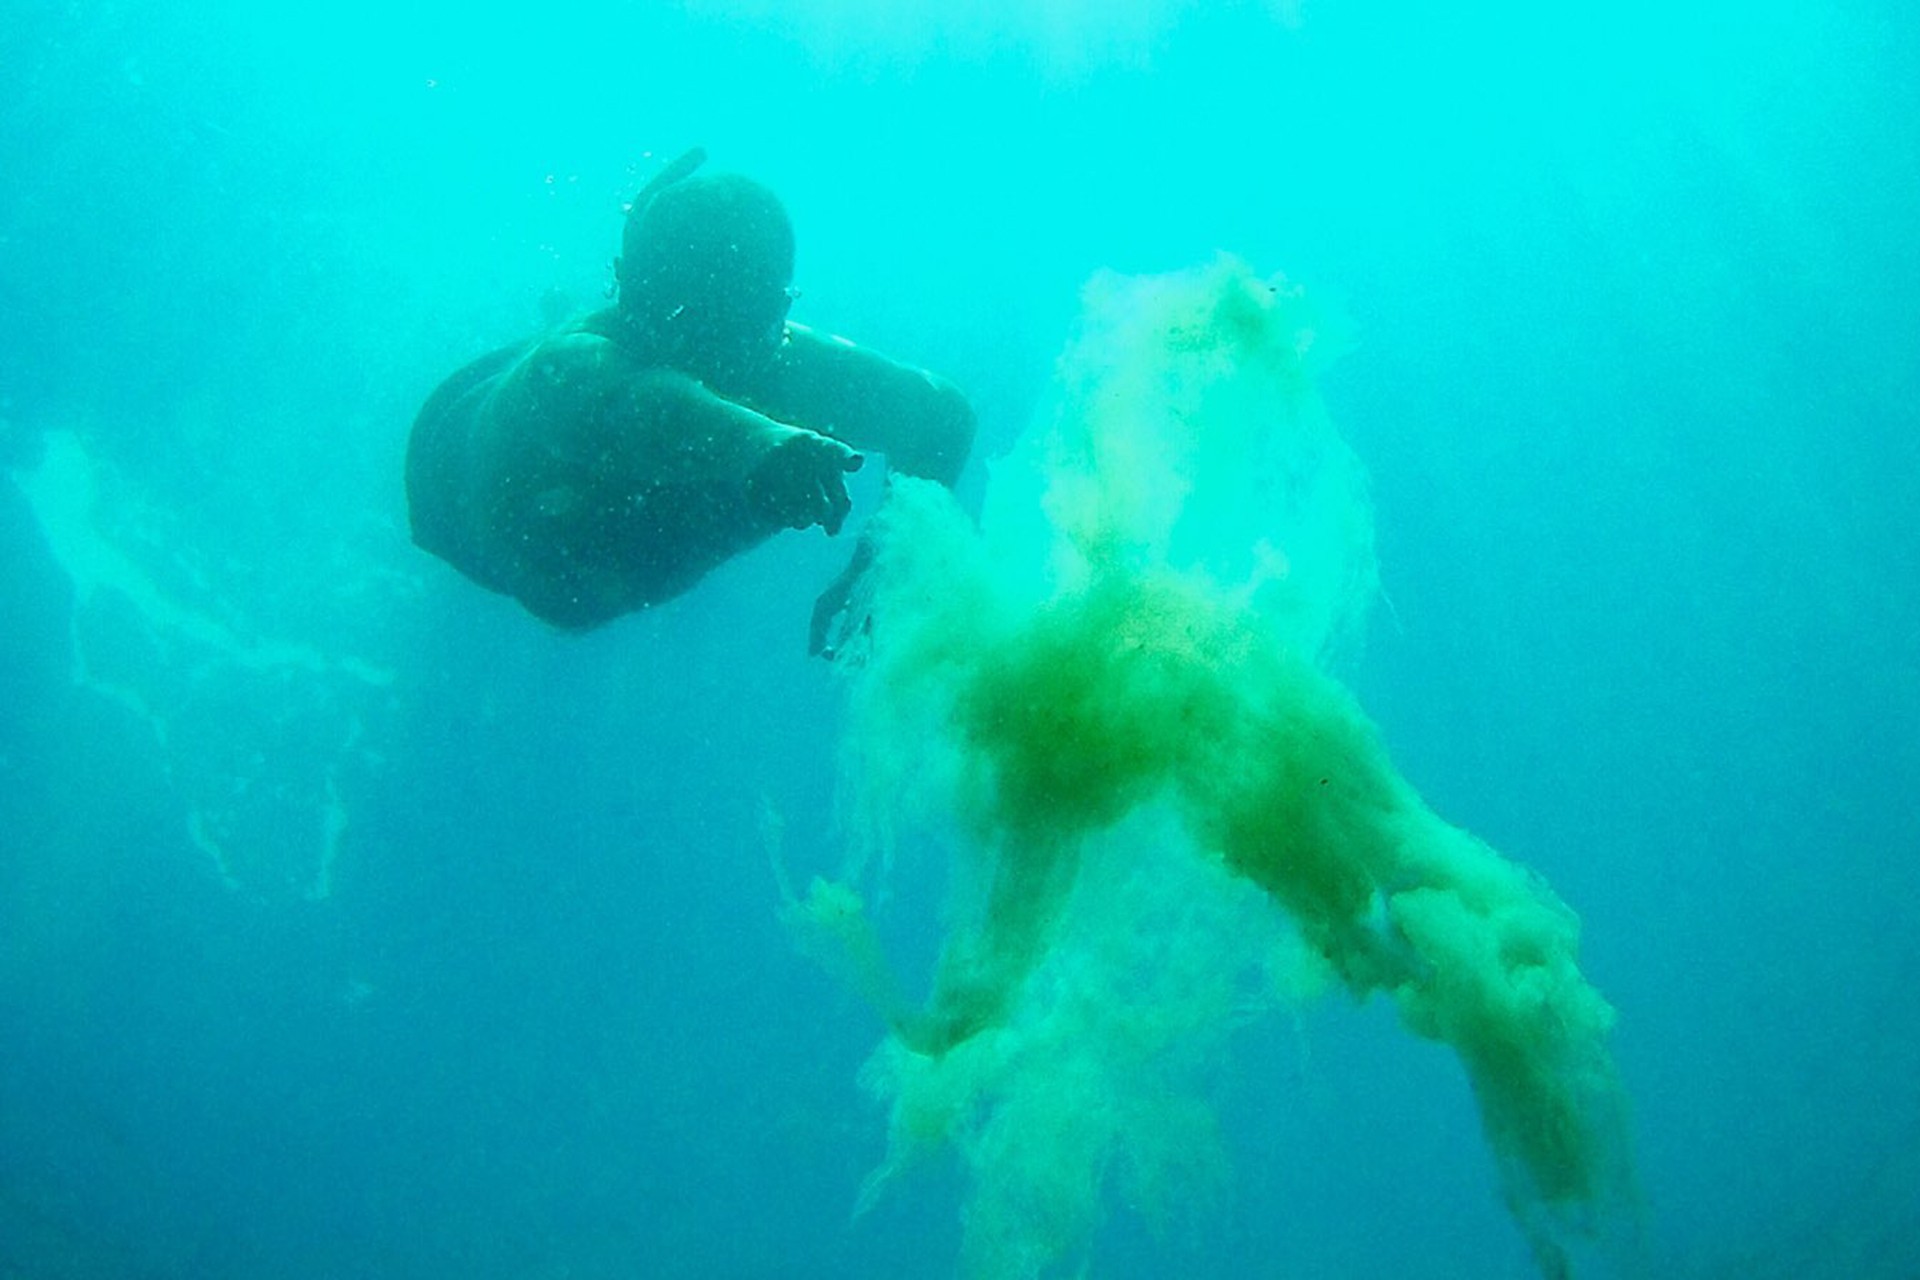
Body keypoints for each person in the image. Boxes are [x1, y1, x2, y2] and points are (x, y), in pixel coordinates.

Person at [405, 148, 975, 653]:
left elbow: (940, 416)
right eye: (684, 313)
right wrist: (762, 444)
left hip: (578, 545)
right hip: (453, 483)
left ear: (774, 309)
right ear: (631, 294)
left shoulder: (784, 367)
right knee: (567, 366)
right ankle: (562, 306)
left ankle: (607, 263)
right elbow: (634, 405)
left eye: (733, 313)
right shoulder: (568, 371)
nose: (703, 345)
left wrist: (882, 566)